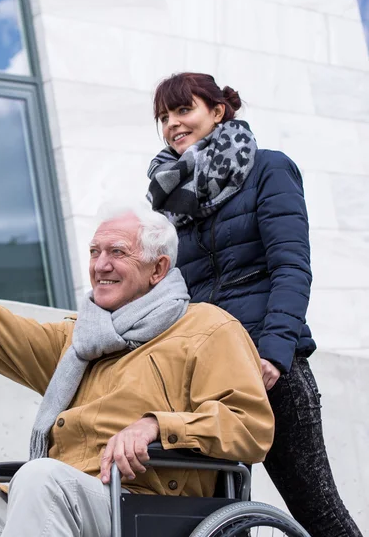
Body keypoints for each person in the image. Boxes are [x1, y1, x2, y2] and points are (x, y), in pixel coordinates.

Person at [0, 203, 273, 537]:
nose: (100, 264)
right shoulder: (80, 340)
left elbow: (250, 426)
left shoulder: (207, 327)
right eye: (95, 251)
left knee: (39, 477)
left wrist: (159, 425)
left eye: (117, 252)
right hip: (57, 498)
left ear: (158, 268)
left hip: (147, 505)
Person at [146, 71, 362, 537]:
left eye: (184, 110)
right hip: (205, 378)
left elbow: (291, 268)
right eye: (164, 116)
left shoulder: (268, 168)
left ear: (218, 111)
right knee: (210, 522)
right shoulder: (168, 202)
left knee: (317, 513)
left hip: (269, 368)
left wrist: (274, 353)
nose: (172, 124)